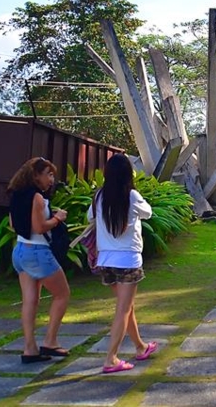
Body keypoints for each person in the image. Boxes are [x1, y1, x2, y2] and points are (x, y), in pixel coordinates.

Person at [89, 153, 157, 374]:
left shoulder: (99, 196)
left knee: (126, 307)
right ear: (129, 174)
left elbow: (90, 217)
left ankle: (140, 346)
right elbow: (148, 213)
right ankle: (111, 359)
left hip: (106, 260)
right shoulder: (132, 196)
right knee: (123, 309)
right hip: (127, 259)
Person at [8, 157, 71, 364]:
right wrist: (58, 218)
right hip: (37, 251)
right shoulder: (36, 197)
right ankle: (50, 341)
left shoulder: (16, 195)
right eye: (48, 174)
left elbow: (12, 223)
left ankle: (30, 348)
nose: (51, 179)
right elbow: (39, 228)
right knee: (62, 294)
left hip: (20, 251)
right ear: (36, 175)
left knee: (30, 300)